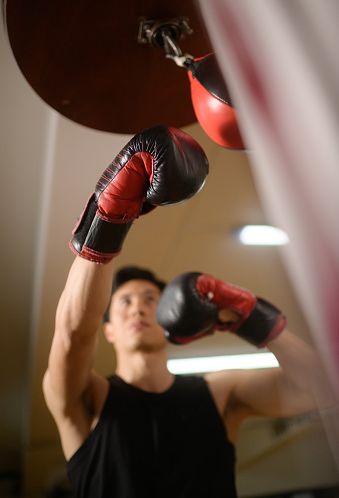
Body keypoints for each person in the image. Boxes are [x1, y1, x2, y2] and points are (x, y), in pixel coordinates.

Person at [43, 126, 333, 498]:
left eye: (151, 299)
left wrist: (251, 315)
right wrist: (107, 218)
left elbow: (324, 388)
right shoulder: (87, 399)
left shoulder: (219, 392)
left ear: (166, 316)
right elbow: (73, 334)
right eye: (125, 302)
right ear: (109, 329)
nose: (139, 308)